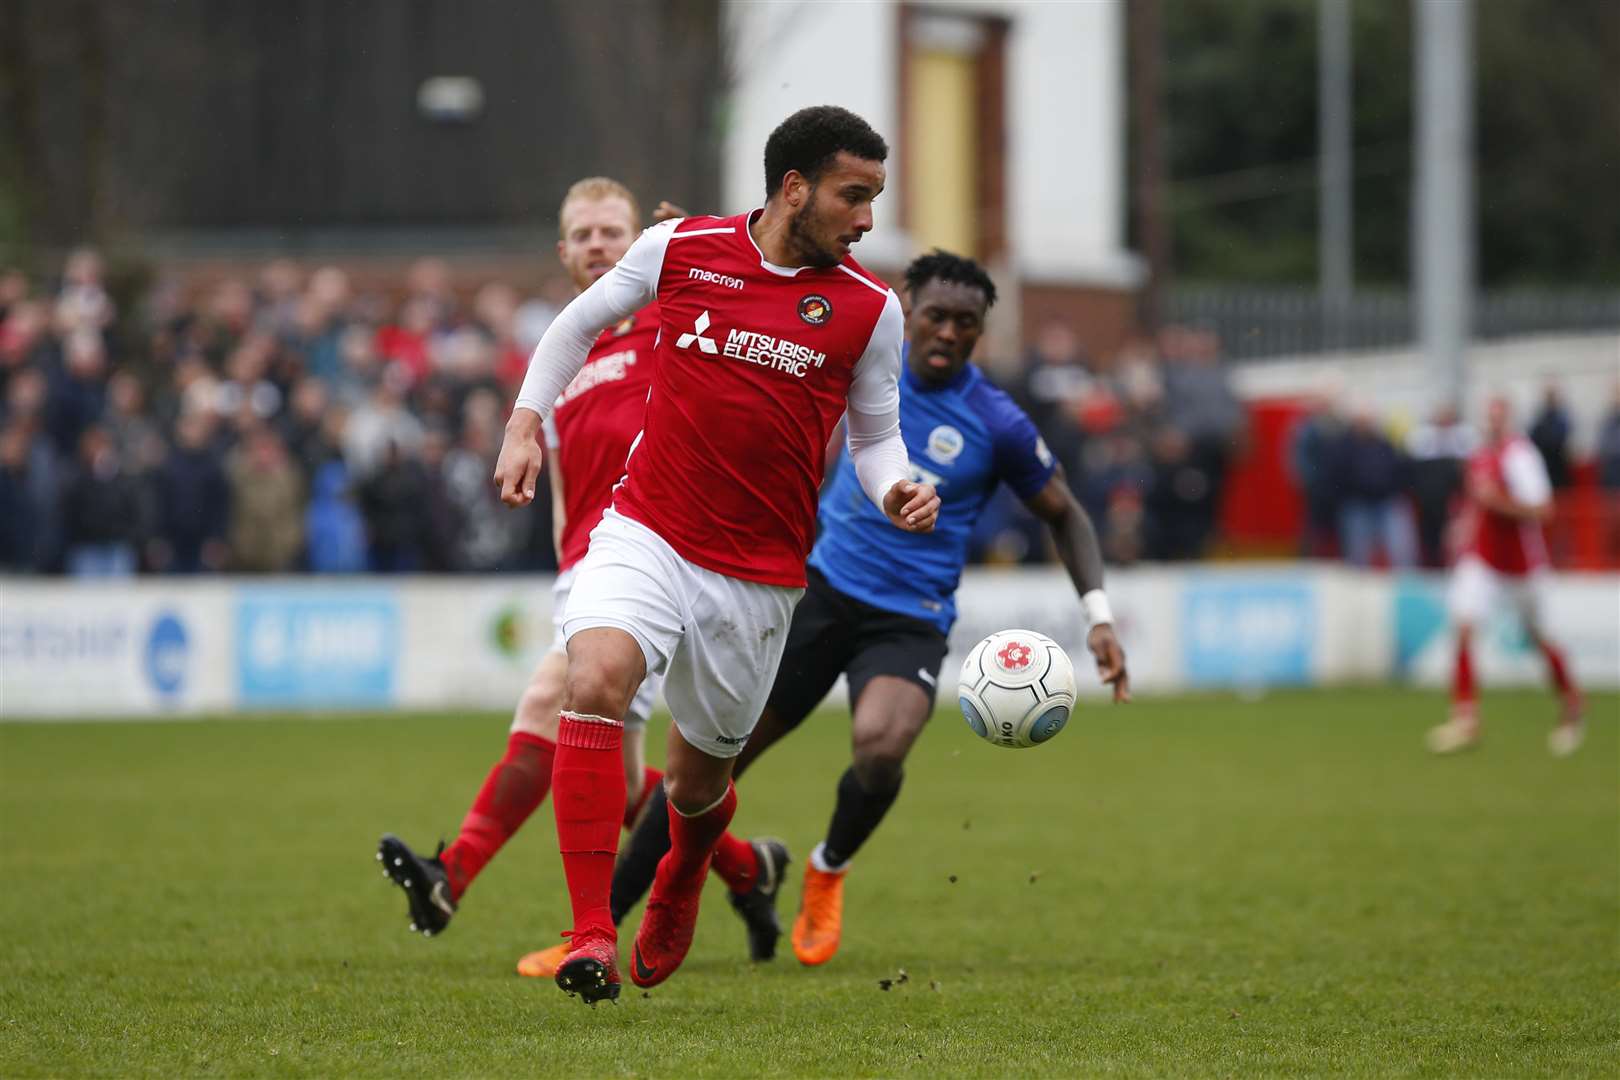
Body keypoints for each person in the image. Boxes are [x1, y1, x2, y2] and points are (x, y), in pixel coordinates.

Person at [490, 105, 939, 1004]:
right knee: (595, 681)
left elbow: (877, 438)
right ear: (794, 187)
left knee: (697, 785)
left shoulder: (869, 309)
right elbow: (574, 327)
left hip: (760, 578)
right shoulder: (680, 250)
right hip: (647, 529)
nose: (866, 219)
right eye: (855, 196)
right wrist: (524, 423)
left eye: (875, 199)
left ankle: (686, 879)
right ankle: (588, 933)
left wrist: (898, 486)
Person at [600, 250, 1130, 970]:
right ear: (906, 313)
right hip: (815, 594)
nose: (948, 332)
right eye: (936, 316)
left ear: (981, 333)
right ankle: (597, 926)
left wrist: (1097, 614)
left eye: (966, 324)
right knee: (710, 765)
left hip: (908, 615)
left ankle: (827, 867)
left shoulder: (995, 420)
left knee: (881, 749)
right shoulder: (856, 369)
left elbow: (1064, 514)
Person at [376, 177, 674, 951]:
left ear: (639, 238)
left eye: (615, 231)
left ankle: (456, 876)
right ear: (564, 252)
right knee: (630, 789)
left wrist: (697, 248)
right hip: (588, 568)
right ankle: (749, 872)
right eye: (585, 235)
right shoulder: (563, 353)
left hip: (665, 563)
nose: (600, 245)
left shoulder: (676, 321)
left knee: (552, 707)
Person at [1427, 396, 1584, 757]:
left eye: (1499, 417)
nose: (1493, 423)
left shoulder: (1521, 457)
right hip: (1484, 559)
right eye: (1489, 417)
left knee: (1540, 638)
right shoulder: (1479, 456)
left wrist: (1499, 502)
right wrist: (1463, 527)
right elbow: (1475, 501)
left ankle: (1571, 702)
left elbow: (1543, 510)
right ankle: (1466, 719)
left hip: (1522, 566)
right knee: (1464, 626)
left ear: (1509, 421)